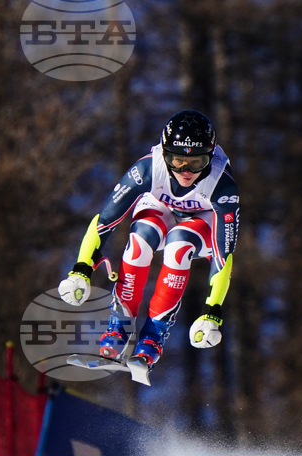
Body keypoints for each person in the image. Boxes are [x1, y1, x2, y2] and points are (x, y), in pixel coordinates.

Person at [58, 110, 240, 371]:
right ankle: (117, 329)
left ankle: (153, 338)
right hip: (159, 205)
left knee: (179, 244)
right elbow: (105, 219)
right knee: (140, 240)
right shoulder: (148, 168)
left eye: (197, 163)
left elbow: (224, 255)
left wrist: (213, 311)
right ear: (164, 154)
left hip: (203, 217)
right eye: (176, 161)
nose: (186, 171)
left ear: (210, 157)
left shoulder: (222, 184)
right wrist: (81, 268)